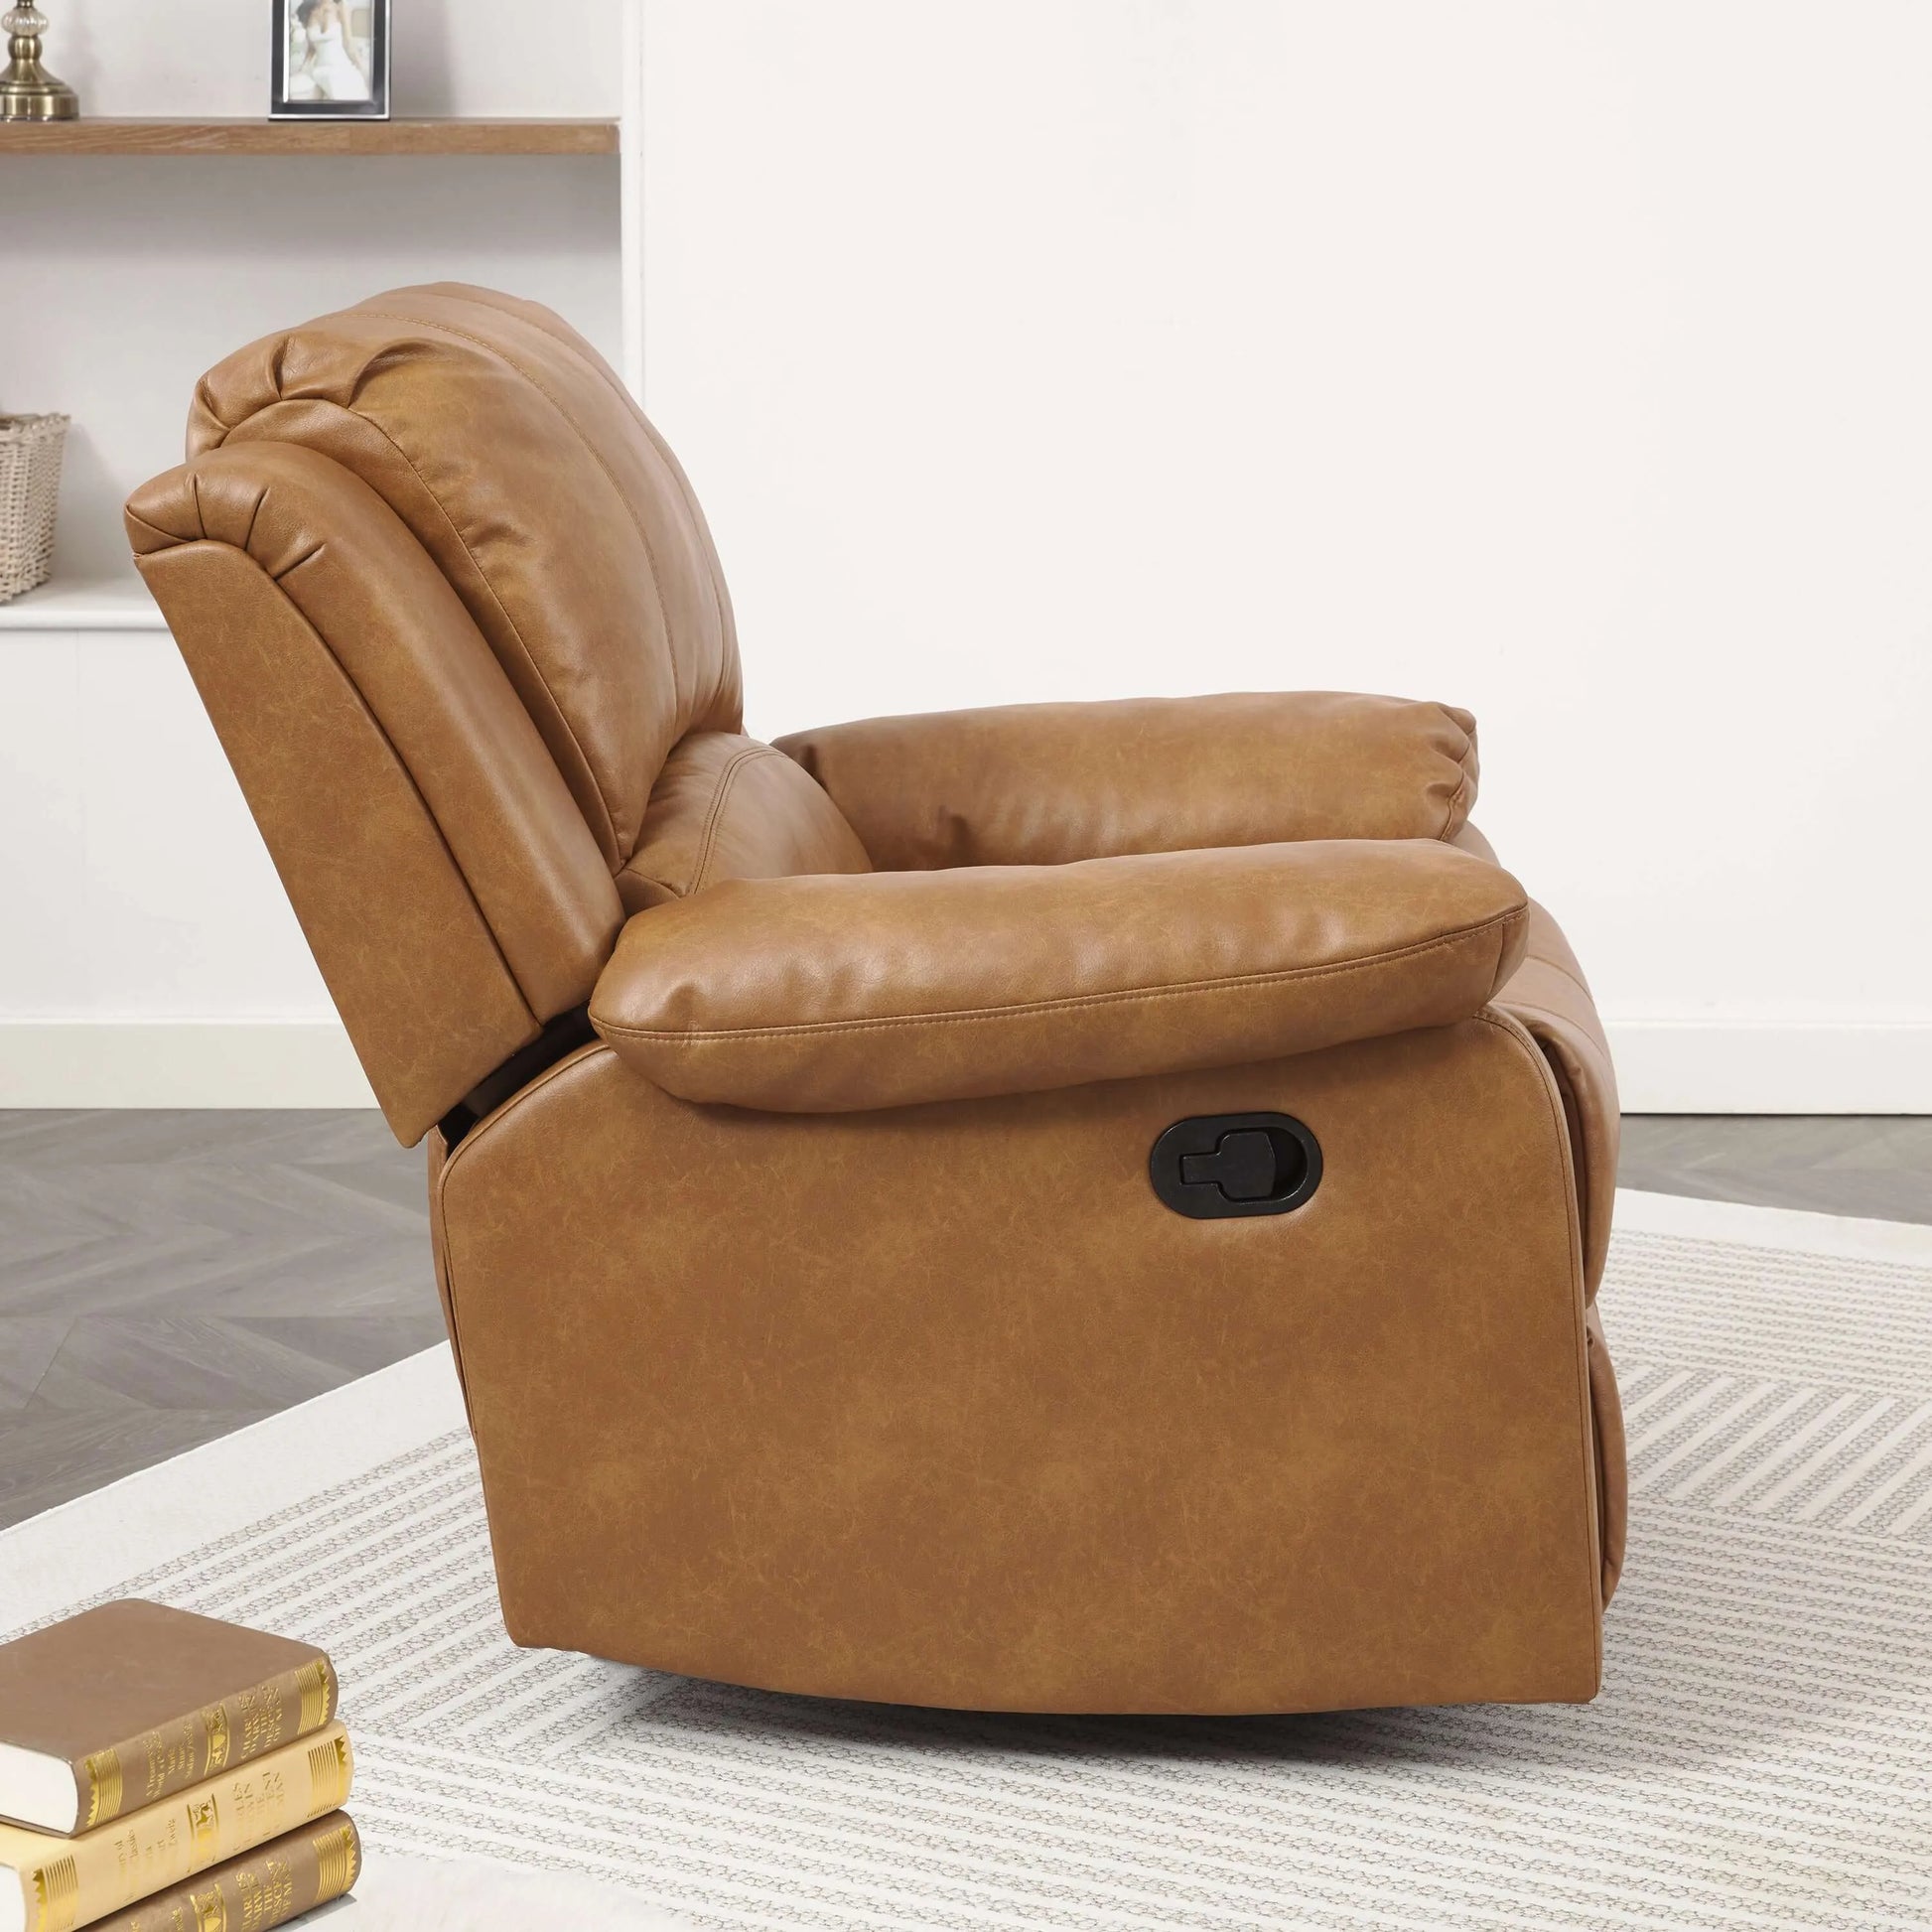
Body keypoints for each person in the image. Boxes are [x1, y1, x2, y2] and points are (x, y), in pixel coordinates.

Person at [287, 0, 371, 104]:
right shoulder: (309, 9)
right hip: (318, 69)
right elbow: (311, 49)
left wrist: (360, 65)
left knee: (341, 84)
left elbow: (348, 42)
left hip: (339, 66)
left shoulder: (341, 7)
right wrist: (302, 69)